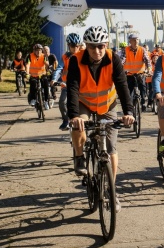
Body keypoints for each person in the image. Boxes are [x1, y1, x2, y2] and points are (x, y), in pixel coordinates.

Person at [67, 25, 135, 211]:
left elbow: (122, 86)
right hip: (85, 104)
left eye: (101, 46)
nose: (97, 51)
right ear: (86, 46)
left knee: (111, 148)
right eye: (92, 46)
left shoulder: (113, 59)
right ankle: (80, 156)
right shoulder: (75, 60)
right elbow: (72, 88)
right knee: (78, 126)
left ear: (106, 45)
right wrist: (74, 115)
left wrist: (128, 112)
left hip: (107, 105)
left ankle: (111, 191)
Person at [54, 33, 82, 131]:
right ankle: (66, 120)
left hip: (81, 85)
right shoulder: (65, 57)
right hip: (67, 84)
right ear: (69, 46)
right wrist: (54, 79)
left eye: (77, 46)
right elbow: (59, 68)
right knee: (62, 102)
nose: (75, 48)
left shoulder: (83, 55)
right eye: (73, 46)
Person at [123, 33, 150, 111]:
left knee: (143, 87)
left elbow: (147, 60)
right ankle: (129, 107)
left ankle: (143, 102)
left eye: (137, 40)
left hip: (140, 73)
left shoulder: (142, 49)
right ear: (130, 41)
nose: (136, 42)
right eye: (134, 40)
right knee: (129, 91)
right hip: (129, 74)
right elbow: (122, 60)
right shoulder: (126, 50)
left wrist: (149, 69)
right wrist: (121, 70)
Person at [26, 44, 50, 110]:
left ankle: (46, 101)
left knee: (45, 84)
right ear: (34, 51)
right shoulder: (30, 56)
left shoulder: (44, 56)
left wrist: (48, 67)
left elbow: (46, 63)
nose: (38, 52)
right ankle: (33, 99)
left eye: (40, 50)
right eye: (37, 50)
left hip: (42, 74)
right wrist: (27, 74)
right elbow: (27, 65)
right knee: (33, 84)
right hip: (33, 75)